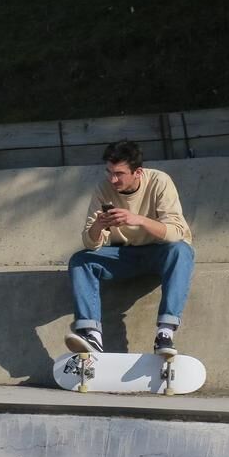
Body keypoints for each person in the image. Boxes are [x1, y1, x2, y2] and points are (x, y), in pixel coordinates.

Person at [65, 140, 194, 357]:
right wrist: (99, 225)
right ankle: (91, 336)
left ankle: (165, 332)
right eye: (109, 172)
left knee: (182, 251)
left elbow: (176, 232)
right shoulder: (103, 189)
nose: (113, 179)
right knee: (80, 260)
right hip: (124, 255)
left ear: (138, 172)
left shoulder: (159, 181)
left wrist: (138, 220)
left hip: (159, 253)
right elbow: (90, 243)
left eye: (119, 174)